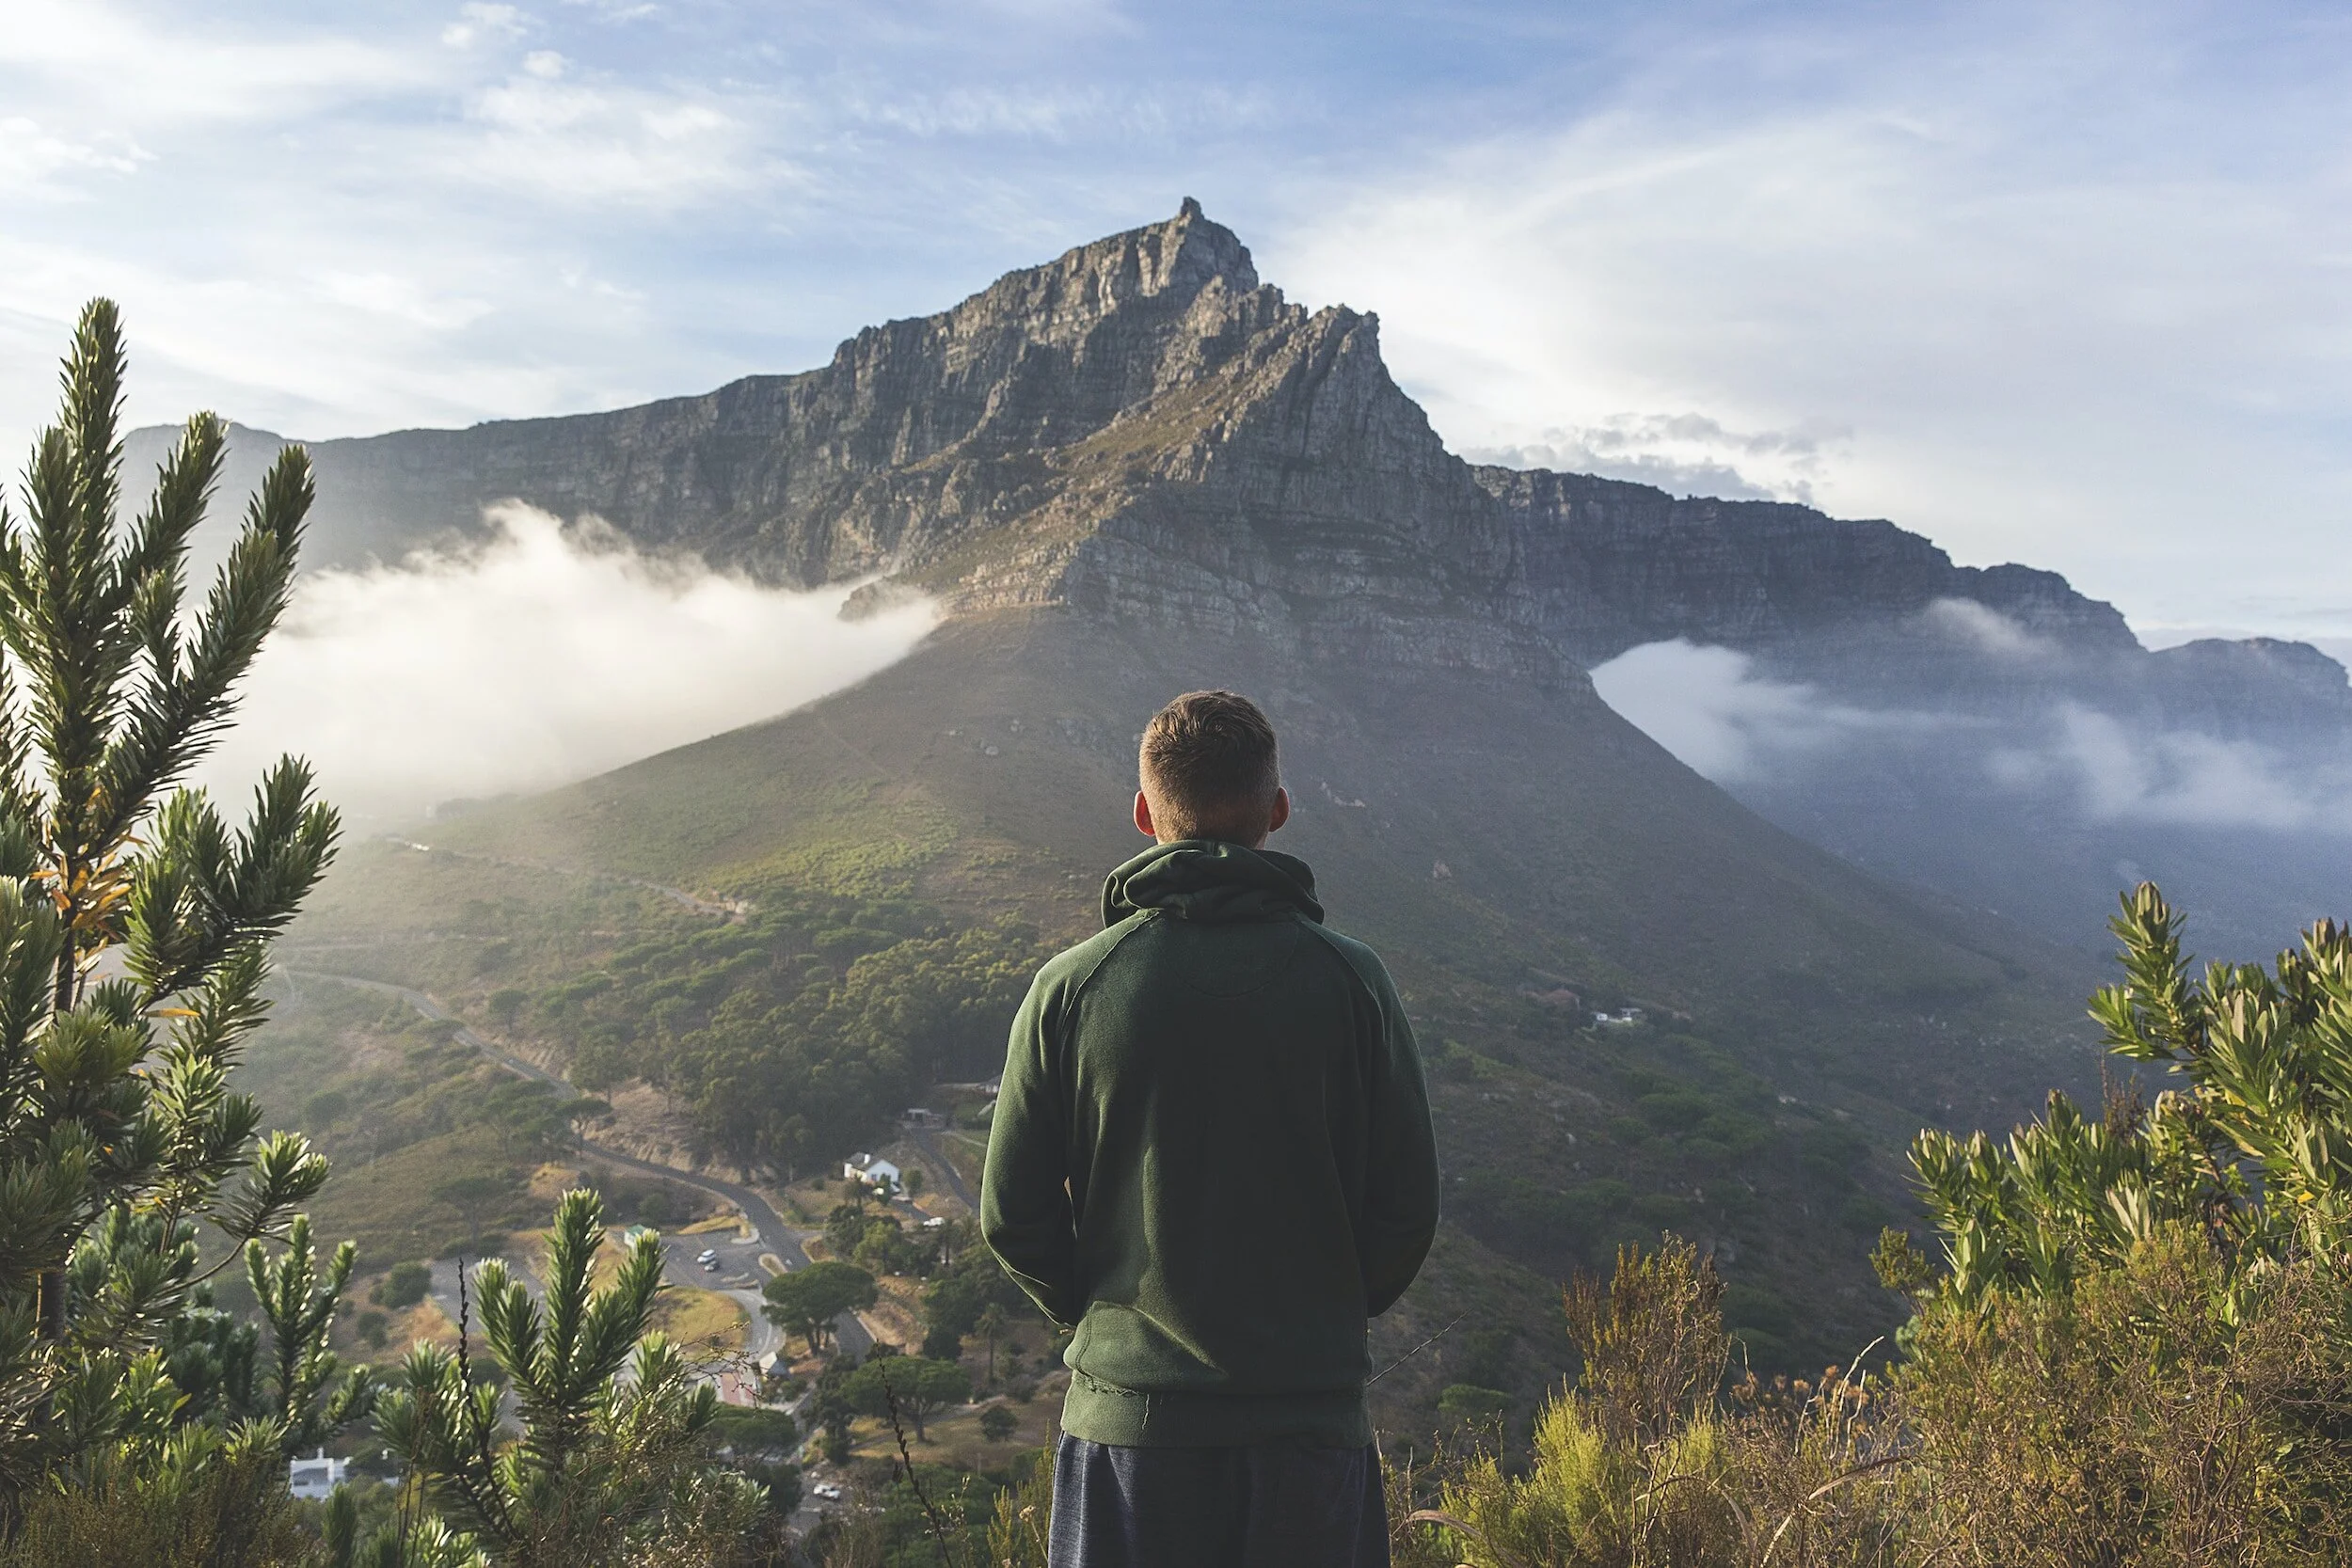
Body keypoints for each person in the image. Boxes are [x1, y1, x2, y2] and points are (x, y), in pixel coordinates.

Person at [982, 689, 1440, 1568]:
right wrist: (1325, 1314)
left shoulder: (1073, 988)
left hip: (1129, 1439)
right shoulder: (1352, 983)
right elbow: (1407, 1208)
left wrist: (1105, 1321)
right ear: (1277, 810)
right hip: (1310, 1429)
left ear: (1145, 811)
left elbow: (1013, 1215)